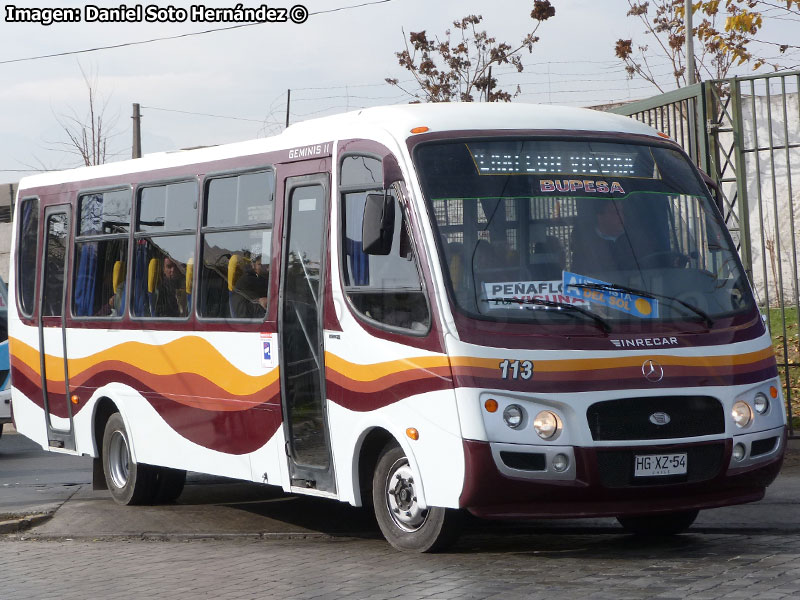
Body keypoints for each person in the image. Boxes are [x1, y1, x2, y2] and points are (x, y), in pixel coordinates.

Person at [570, 201, 638, 276]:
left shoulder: (635, 239)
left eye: (621, 212)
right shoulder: (584, 246)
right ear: (600, 217)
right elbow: (577, 276)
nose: (621, 216)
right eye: (615, 213)